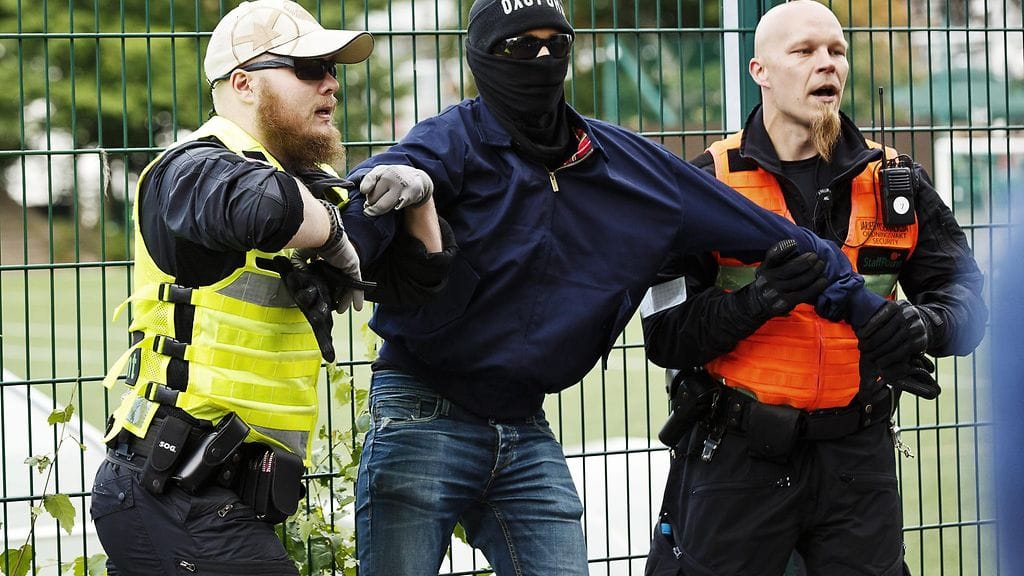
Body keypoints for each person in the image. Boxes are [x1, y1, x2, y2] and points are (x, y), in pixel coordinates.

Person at [339, 1, 898, 574]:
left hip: (524, 423)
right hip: (422, 411)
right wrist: (335, 250)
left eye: (555, 43)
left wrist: (874, 317)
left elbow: (777, 235)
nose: (541, 58)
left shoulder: (627, 169)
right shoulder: (451, 141)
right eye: (519, 46)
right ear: (482, 54)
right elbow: (381, 190)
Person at [87, 1, 443, 574]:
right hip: (173, 491)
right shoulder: (188, 171)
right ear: (244, 83)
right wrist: (331, 232)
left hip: (225, 500)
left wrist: (418, 197)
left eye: (333, 69)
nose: (330, 84)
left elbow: (416, 281)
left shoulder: (307, 186)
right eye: (308, 69)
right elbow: (259, 207)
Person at [641, 2, 987, 575]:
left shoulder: (897, 182)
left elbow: (967, 299)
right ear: (760, 71)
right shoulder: (707, 183)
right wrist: (760, 300)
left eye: (836, 51)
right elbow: (665, 336)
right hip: (737, 460)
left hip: (858, 462)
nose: (825, 64)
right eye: (803, 52)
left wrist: (923, 325)